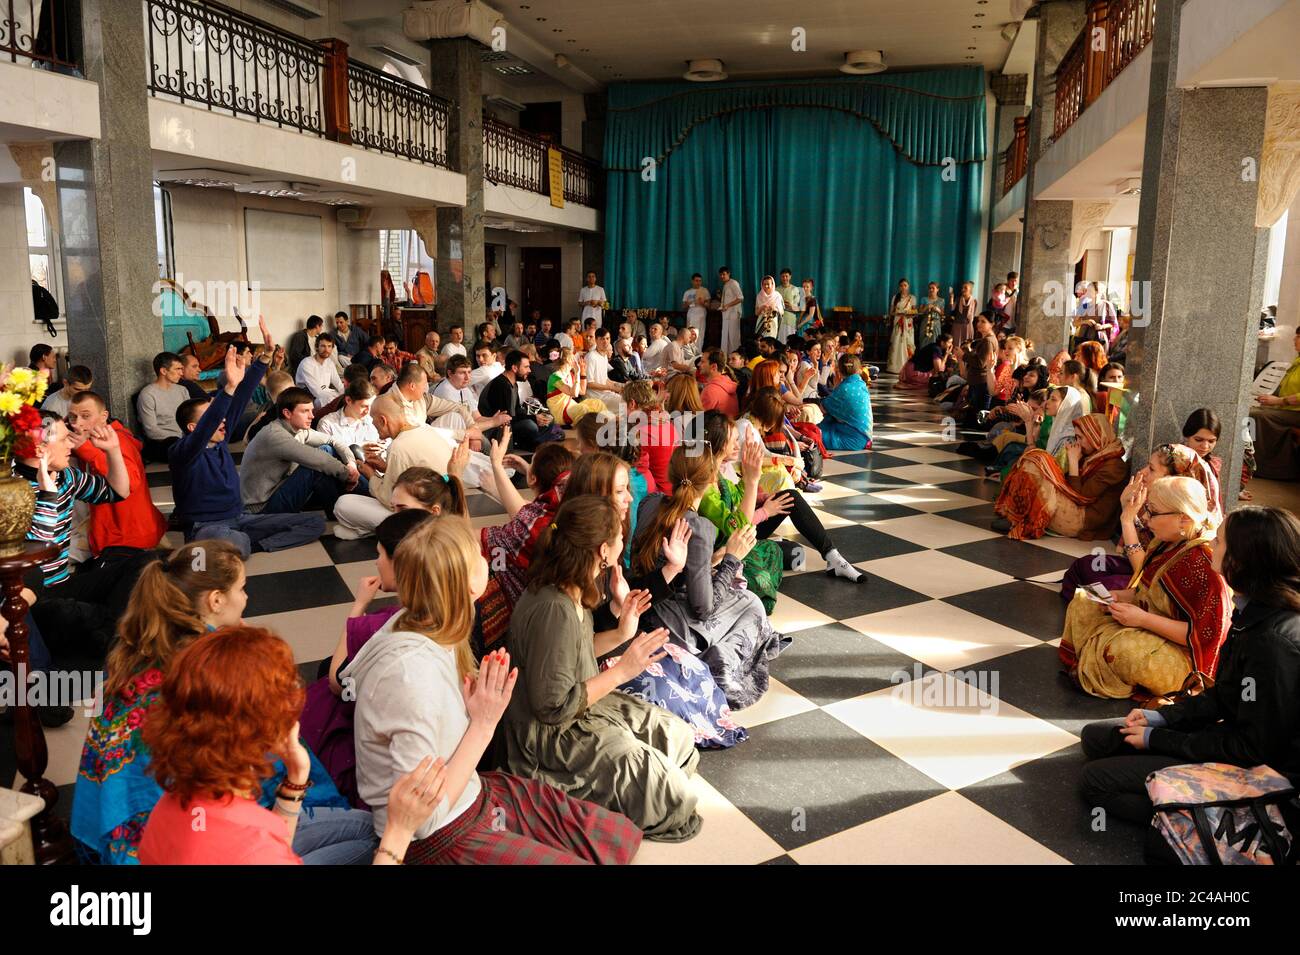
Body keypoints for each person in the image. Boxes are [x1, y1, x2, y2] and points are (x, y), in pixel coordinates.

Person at [72, 542, 356, 864]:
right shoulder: (213, 670)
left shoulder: (144, 645)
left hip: (102, 827)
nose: (246, 598)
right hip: (176, 839)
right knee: (366, 835)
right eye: (242, 588)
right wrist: (251, 656)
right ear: (216, 600)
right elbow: (257, 746)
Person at [1077, 506, 1300, 837]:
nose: (1211, 544)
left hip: (1262, 773)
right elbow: (1225, 697)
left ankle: (1207, 823)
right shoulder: (1256, 610)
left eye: (1219, 541)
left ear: (1241, 560)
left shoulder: (1272, 641)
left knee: (1095, 783)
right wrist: (1163, 719)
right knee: (1097, 738)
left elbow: (1254, 751)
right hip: (1234, 738)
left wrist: (1162, 739)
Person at [137, 625, 440, 865]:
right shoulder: (253, 847)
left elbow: (261, 840)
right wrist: (399, 835)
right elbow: (257, 849)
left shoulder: (175, 802)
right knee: (380, 840)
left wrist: (294, 784)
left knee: (365, 827)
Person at [500, 496, 702, 841]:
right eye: (620, 537)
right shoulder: (554, 607)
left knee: (679, 737)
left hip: (579, 709)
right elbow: (552, 707)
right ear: (603, 551)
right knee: (672, 797)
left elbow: (570, 654)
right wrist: (623, 671)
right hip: (548, 740)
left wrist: (623, 633)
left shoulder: (571, 588)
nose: (625, 541)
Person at [631, 447, 790, 710]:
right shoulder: (700, 527)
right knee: (751, 603)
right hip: (672, 629)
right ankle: (718, 659)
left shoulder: (650, 502)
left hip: (641, 610)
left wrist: (713, 558)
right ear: (713, 478)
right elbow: (703, 608)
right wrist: (732, 558)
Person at [1061, 475, 1231, 703]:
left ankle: (1101, 665)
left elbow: (1204, 637)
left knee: (1122, 649)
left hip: (1186, 660)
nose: (1146, 518)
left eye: (1153, 512)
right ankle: (1088, 662)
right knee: (1084, 600)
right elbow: (1148, 591)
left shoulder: (1205, 565)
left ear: (1183, 519)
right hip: (1151, 626)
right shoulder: (1165, 542)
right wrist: (1120, 596)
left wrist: (1142, 620)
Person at [173, 339, 326, 557]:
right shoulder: (183, 453)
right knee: (232, 541)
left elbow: (240, 399)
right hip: (206, 527)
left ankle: (250, 546)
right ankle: (235, 546)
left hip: (241, 519)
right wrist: (228, 388)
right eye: (211, 417)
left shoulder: (220, 441)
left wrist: (264, 359)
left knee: (314, 523)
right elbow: (210, 423)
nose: (222, 421)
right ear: (193, 427)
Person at [701, 411, 862, 586]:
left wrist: (759, 491)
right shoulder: (705, 487)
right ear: (718, 443)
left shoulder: (720, 473)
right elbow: (736, 527)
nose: (737, 445)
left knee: (790, 498)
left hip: (742, 530)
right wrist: (764, 510)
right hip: (727, 545)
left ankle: (833, 557)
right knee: (792, 556)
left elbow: (739, 497)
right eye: (733, 441)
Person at [1059, 444, 1222, 602]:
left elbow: (1144, 572)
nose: (1142, 472)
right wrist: (1126, 507)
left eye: (1151, 469)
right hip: (1144, 572)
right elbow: (1145, 558)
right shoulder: (1159, 505)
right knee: (1085, 567)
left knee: (1103, 591)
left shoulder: (1185, 525)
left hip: (1153, 586)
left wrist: (1127, 520)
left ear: (1173, 480)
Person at [332, 392, 469, 539]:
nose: (372, 424)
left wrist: (370, 474)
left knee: (343, 504)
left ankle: (385, 532)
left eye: (373, 420)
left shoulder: (398, 446)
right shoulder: (425, 429)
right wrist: (386, 468)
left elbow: (389, 500)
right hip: (442, 507)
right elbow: (418, 474)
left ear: (383, 420)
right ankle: (367, 530)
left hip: (423, 518)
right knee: (343, 529)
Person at [994, 412, 1128, 540]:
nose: (1078, 443)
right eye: (1077, 438)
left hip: (1081, 520)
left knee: (1037, 461)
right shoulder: (1094, 456)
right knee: (1035, 459)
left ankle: (1018, 519)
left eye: (1080, 438)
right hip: (1074, 507)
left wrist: (1074, 462)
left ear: (1096, 437)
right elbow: (1065, 481)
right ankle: (1015, 516)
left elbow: (1081, 497)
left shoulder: (1114, 467)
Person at [68, 391, 167, 556]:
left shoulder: (117, 441)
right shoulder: (87, 440)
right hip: (114, 533)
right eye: (72, 417)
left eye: (86, 416)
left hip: (126, 538)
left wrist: (88, 451)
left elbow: (128, 484)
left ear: (103, 416)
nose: (77, 424)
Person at [479, 438, 575, 604]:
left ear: (533, 479)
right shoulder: (569, 504)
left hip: (523, 607)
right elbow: (528, 512)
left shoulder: (529, 526)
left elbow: (524, 518)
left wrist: (495, 464)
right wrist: (529, 470)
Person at [240, 386, 360, 517]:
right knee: (315, 466)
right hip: (262, 508)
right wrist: (347, 475)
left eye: (311, 410)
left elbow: (333, 441)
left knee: (327, 449)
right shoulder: (275, 435)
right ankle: (345, 509)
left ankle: (345, 505)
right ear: (287, 413)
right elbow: (318, 459)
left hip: (279, 490)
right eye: (305, 411)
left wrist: (351, 464)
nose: (312, 416)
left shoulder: (298, 429)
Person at [478, 350, 561, 452]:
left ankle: (534, 444)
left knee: (549, 419)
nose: (530, 370)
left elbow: (516, 409)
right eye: (526, 367)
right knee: (530, 426)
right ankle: (534, 444)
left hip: (512, 420)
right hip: (496, 427)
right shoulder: (501, 385)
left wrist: (537, 415)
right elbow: (506, 417)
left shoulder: (513, 383)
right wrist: (534, 418)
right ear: (514, 368)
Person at [1250, 327, 1300, 480]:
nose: (1294, 340)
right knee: (1250, 412)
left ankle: (1261, 464)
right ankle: (1247, 454)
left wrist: (1278, 401)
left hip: (1296, 413)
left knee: (1253, 416)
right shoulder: (1297, 361)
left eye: (1298, 336)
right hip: (1287, 409)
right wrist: (1270, 399)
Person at [136, 351, 188, 463]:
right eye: (177, 369)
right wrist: (181, 439)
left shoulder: (182, 390)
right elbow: (151, 430)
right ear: (163, 371)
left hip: (185, 438)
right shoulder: (148, 394)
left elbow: (190, 417)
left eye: (181, 369)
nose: (181, 373)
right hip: (163, 443)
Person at [820, 353, 873, 451]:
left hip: (852, 439)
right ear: (858, 369)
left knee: (813, 435)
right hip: (863, 435)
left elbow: (823, 408)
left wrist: (836, 386)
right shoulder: (861, 384)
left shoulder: (843, 388)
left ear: (839, 371)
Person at [545, 347, 606, 426]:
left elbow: (582, 391)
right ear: (568, 360)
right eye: (573, 358)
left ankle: (605, 425)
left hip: (571, 407)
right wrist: (577, 373)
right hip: (560, 412)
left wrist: (582, 372)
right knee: (583, 409)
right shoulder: (555, 377)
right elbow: (574, 394)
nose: (575, 360)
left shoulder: (569, 375)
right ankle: (590, 431)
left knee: (597, 403)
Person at [886, 279, 917, 374]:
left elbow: (914, 312)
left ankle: (907, 367)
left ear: (908, 286)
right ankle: (894, 367)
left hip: (908, 324)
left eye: (905, 285)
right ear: (899, 287)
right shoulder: (895, 297)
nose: (903, 287)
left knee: (908, 344)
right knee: (896, 343)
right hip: (898, 323)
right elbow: (891, 312)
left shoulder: (912, 298)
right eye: (901, 285)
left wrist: (908, 314)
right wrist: (899, 313)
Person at [699, 348, 740, 417]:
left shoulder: (711, 390)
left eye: (702, 362)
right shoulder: (727, 382)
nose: (699, 364)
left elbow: (699, 423)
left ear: (714, 366)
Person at [717, 266, 743, 356]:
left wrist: (727, 305)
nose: (722, 276)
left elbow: (740, 298)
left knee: (733, 337)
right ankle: (726, 358)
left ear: (728, 274)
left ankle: (735, 357)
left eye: (724, 274)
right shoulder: (726, 285)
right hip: (726, 314)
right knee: (726, 337)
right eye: (721, 275)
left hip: (733, 314)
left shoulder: (733, 283)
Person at [949, 281, 977, 350]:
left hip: (968, 326)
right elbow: (952, 310)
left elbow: (972, 315)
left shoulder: (974, 301)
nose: (963, 289)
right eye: (962, 288)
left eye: (965, 288)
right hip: (957, 325)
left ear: (970, 290)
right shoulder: (958, 299)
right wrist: (951, 299)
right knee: (956, 346)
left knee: (967, 347)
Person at [916, 282, 945, 349]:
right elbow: (920, 312)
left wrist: (937, 310)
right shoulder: (924, 299)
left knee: (935, 341)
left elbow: (942, 314)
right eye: (929, 288)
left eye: (933, 288)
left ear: (937, 289)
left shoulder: (941, 300)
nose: (931, 290)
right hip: (925, 324)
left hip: (936, 324)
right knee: (923, 341)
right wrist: (926, 307)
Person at [682, 273, 710, 341]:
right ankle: (689, 349)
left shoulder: (704, 291)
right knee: (689, 331)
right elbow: (683, 306)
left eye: (700, 281)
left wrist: (702, 303)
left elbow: (709, 305)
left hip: (701, 312)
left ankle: (698, 350)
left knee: (699, 332)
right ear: (692, 281)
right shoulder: (687, 292)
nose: (698, 282)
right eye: (696, 280)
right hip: (691, 312)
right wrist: (688, 303)